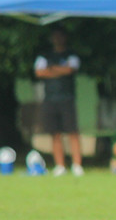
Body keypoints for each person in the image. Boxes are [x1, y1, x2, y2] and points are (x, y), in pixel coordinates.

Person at [33, 28, 84, 177]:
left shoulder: (71, 55)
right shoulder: (45, 55)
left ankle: (77, 165)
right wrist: (59, 70)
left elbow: (70, 70)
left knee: (72, 132)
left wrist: (51, 69)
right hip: (50, 99)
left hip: (67, 98)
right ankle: (60, 165)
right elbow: (39, 72)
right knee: (55, 133)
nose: (57, 39)